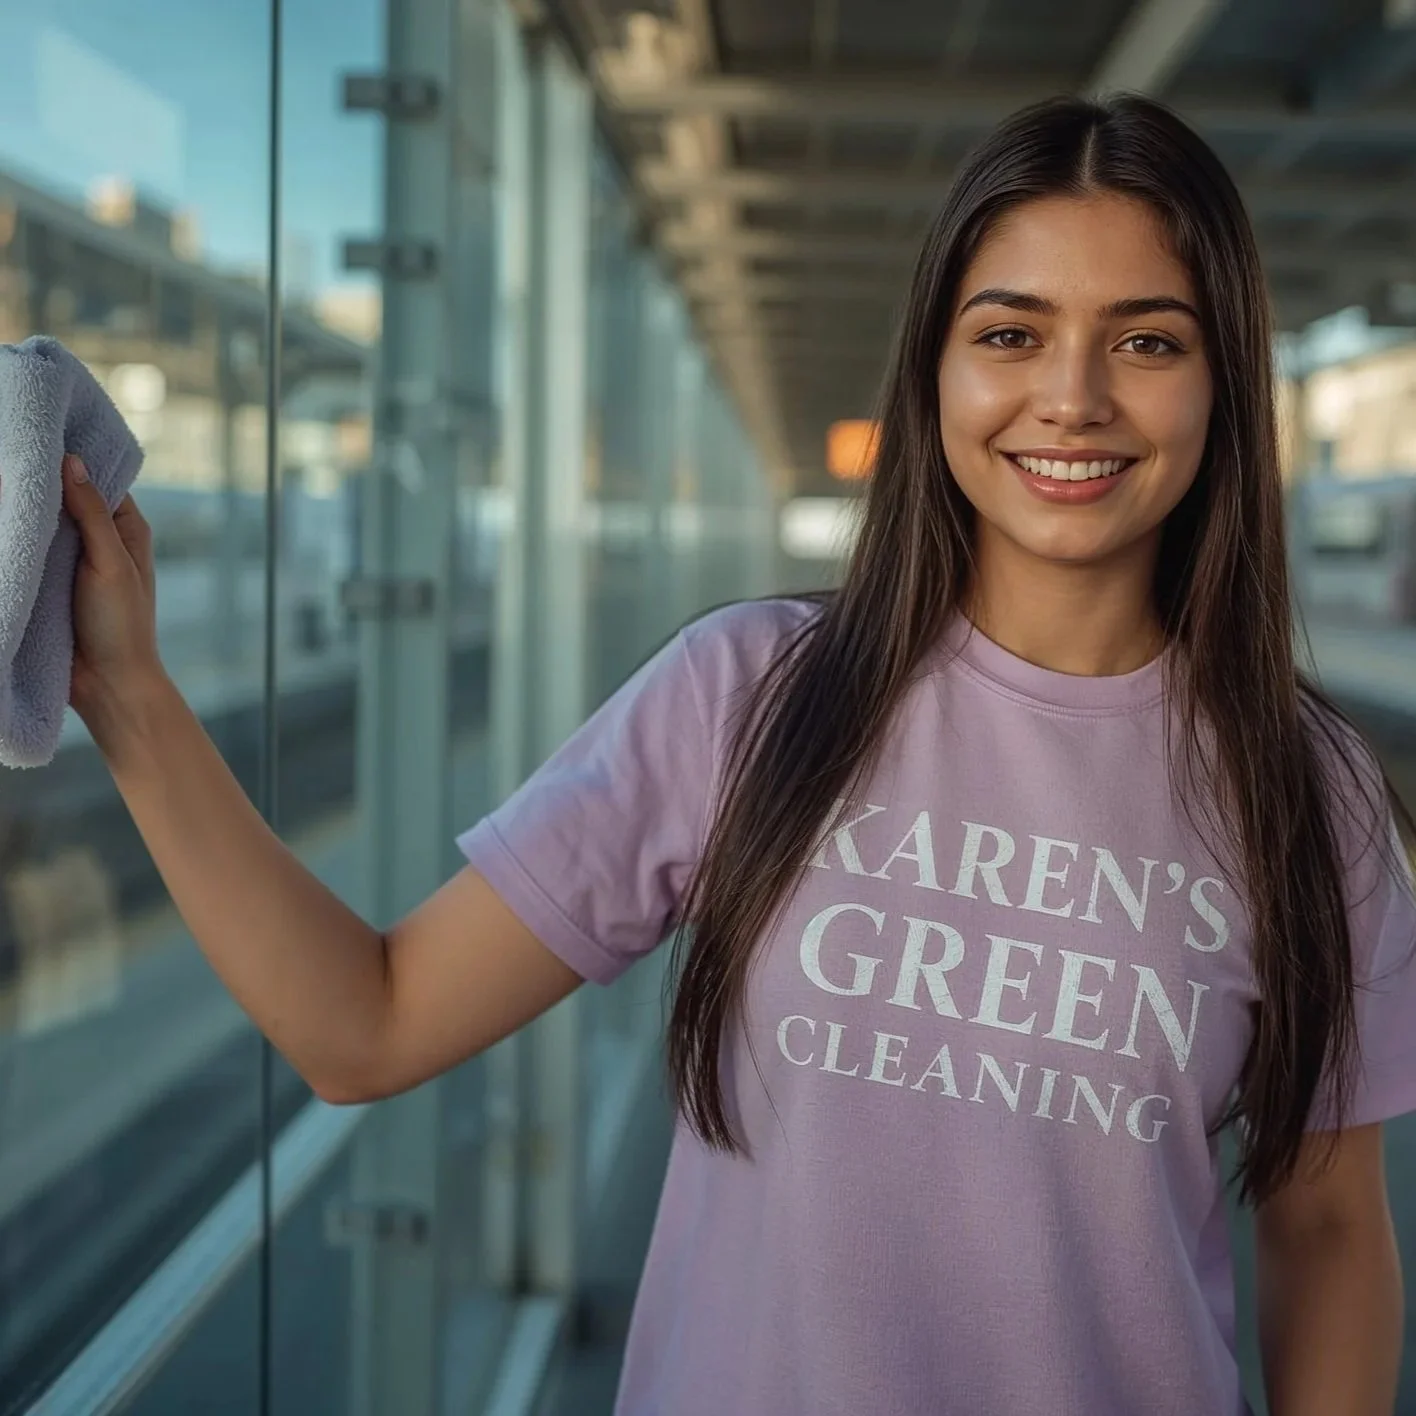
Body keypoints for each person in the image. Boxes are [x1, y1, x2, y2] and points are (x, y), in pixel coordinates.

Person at [60, 93, 1416, 1416]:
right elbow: (367, 1023)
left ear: (1226, 381)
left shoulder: (1312, 795)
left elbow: (1333, 1235)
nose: (1070, 398)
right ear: (934, 368)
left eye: (1148, 343)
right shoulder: (747, 696)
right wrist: (129, 696)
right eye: (1011, 332)